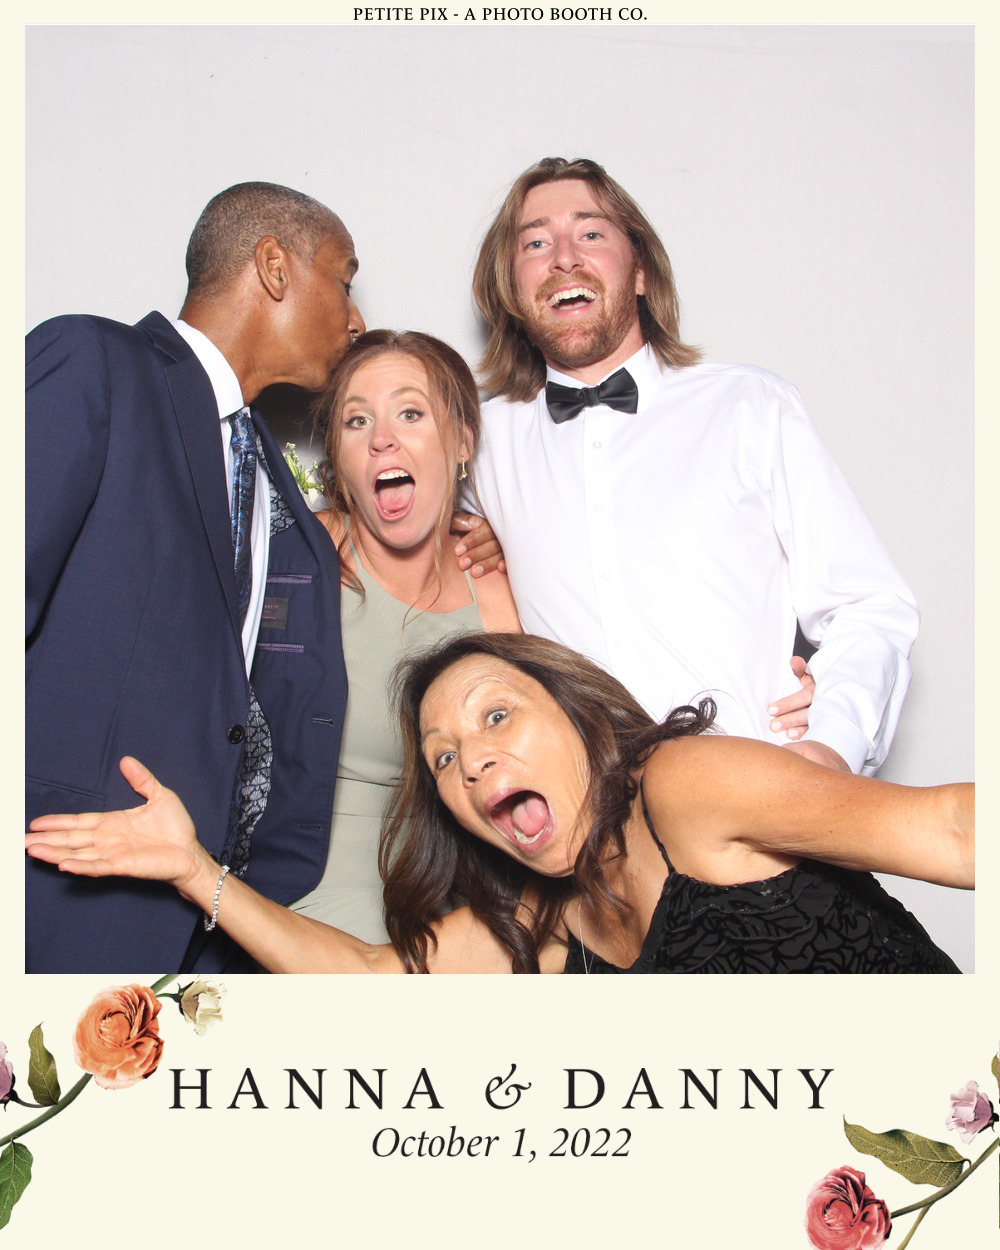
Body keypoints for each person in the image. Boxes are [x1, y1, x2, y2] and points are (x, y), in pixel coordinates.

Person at [26, 633, 969, 974]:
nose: (472, 760)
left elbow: (951, 827)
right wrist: (195, 870)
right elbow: (368, 978)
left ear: (577, 712)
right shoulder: (545, 923)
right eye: (444, 757)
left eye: (497, 715)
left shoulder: (686, 786)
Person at [461, 157, 920, 776]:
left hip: (754, 800)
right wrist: (478, 541)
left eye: (591, 233)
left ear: (642, 272)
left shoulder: (751, 406)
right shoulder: (480, 442)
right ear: (511, 291)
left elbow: (867, 603)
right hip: (586, 816)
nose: (564, 257)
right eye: (535, 243)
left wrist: (834, 737)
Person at [25, 180, 368, 973]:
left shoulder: (270, 475)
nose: (356, 318)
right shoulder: (94, 363)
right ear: (274, 267)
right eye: (344, 280)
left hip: (199, 921)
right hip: (56, 890)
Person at [289, 330, 519, 941]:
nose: (381, 439)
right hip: (310, 890)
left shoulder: (498, 585)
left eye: (410, 413)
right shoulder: (305, 557)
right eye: (356, 421)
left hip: (465, 892)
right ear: (337, 458)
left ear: (462, 441)